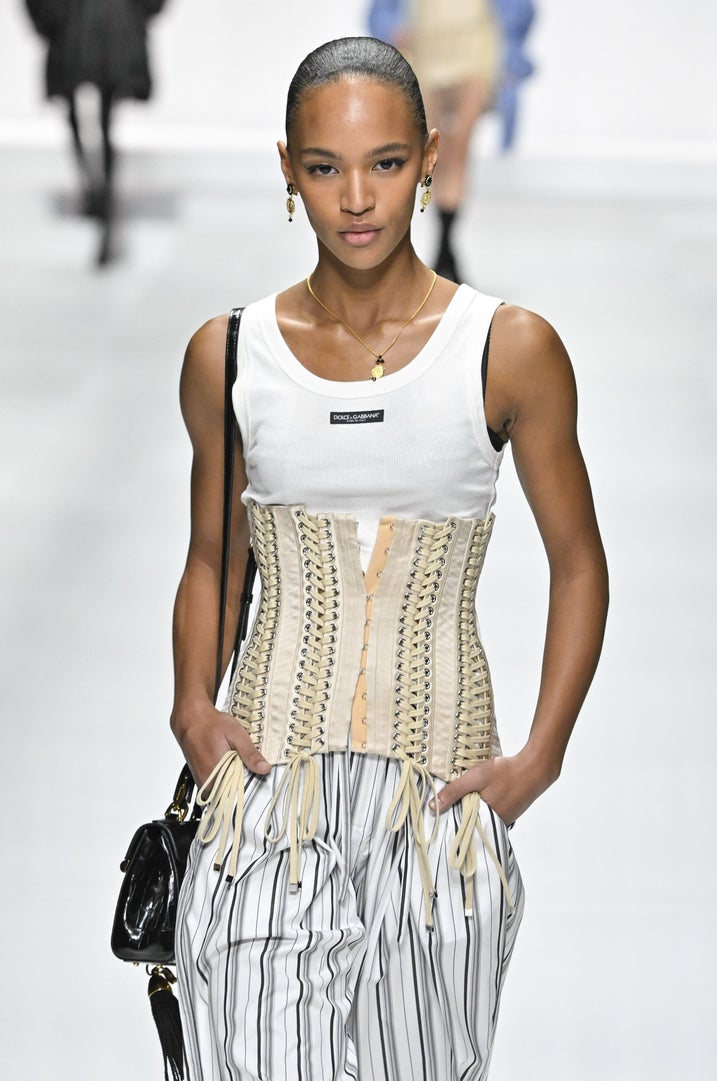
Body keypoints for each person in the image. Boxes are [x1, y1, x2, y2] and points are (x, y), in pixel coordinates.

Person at [170, 36, 608, 1081]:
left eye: (386, 163)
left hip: (440, 814)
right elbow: (211, 557)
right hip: (268, 805)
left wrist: (540, 756)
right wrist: (192, 705)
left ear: (428, 157)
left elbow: (579, 561)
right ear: (288, 169)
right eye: (324, 168)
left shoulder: (508, 348)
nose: (356, 198)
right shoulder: (230, 355)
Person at [368, 0, 535, 281]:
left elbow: (521, 9)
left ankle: (446, 243)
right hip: (425, 51)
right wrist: (392, 30)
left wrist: (511, 52)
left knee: (457, 150)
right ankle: (441, 248)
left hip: (476, 52)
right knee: (430, 154)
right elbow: (381, 9)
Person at [25, 0, 166, 265]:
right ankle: (99, 194)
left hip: (87, 27)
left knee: (92, 116)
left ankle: (98, 194)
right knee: (98, 118)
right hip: (101, 25)